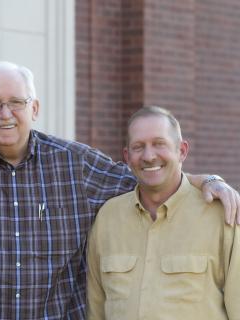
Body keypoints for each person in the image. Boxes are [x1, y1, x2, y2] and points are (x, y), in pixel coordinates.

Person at [0, 61, 240, 319]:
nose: (5, 113)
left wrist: (208, 180)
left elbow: (149, 173)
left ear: (35, 108)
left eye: (16, 102)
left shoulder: (75, 164)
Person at [86, 106, 239, 319]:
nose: (149, 156)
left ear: (182, 150)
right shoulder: (107, 218)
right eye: (138, 147)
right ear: (127, 156)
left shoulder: (221, 215)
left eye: (159, 144)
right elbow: (96, 308)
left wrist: (212, 179)